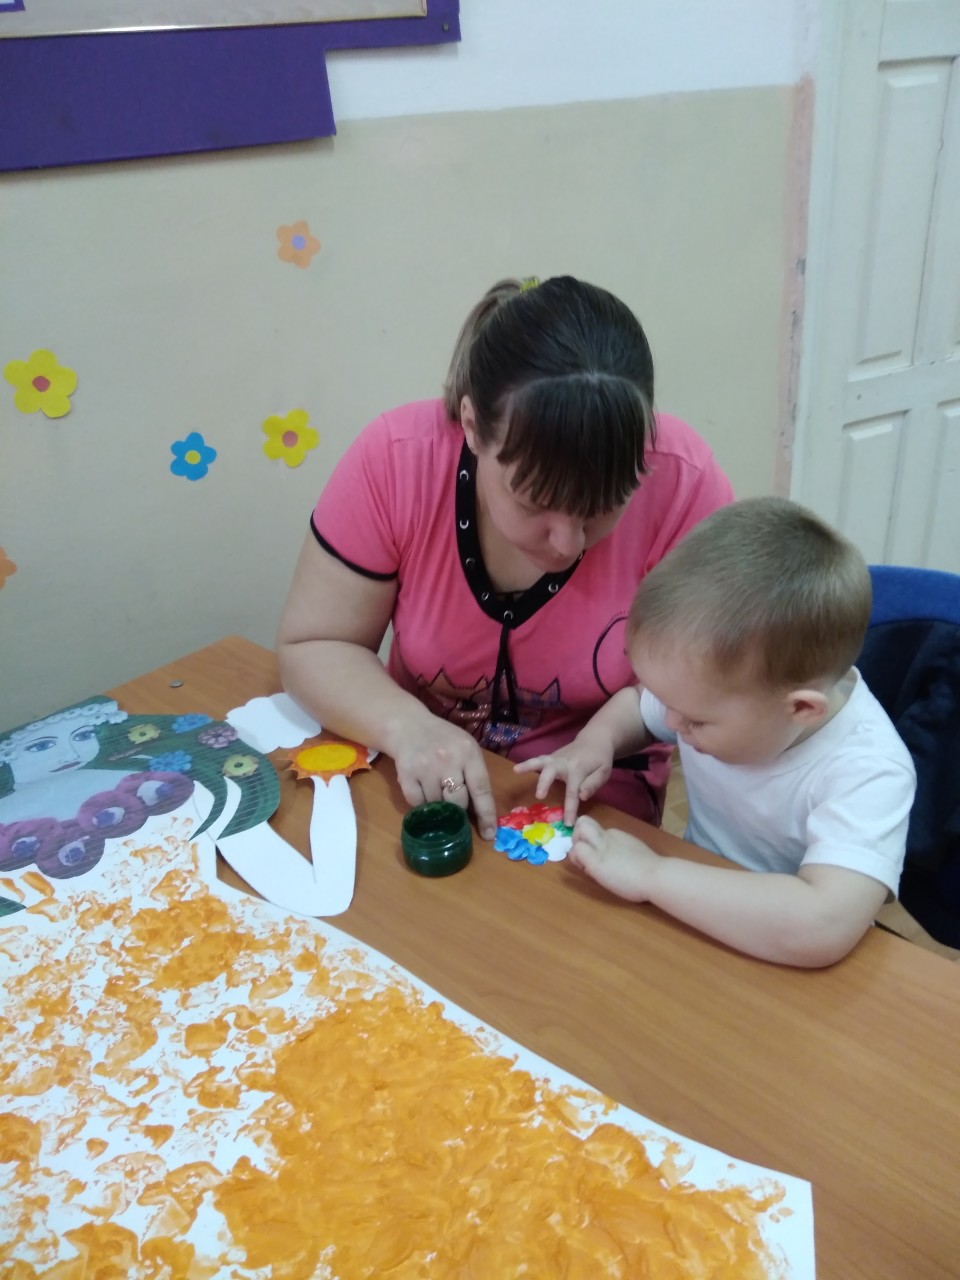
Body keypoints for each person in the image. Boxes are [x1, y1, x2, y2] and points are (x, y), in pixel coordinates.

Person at [277, 276, 733, 841]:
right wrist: (407, 727)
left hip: (593, 793)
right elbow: (317, 643)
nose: (568, 544)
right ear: (471, 427)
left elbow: (712, 677)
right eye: (534, 504)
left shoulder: (683, 481)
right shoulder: (398, 461)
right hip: (421, 771)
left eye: (602, 508)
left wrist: (606, 738)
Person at [517, 497, 917, 968]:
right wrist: (595, 742)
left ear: (802, 709)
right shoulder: (720, 698)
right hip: (691, 914)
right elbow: (638, 707)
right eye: (668, 702)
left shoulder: (870, 772)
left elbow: (820, 925)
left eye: (694, 721)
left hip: (783, 960)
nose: (671, 724)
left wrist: (652, 874)